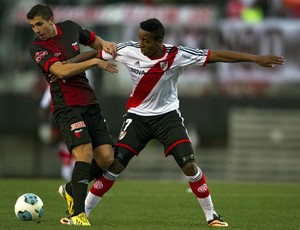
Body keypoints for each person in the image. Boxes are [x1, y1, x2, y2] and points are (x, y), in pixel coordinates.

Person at [60, 18, 285, 227]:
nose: (141, 44)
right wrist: (66, 65)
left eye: (145, 40)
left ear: (159, 41)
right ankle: (81, 215)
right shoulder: (127, 50)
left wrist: (256, 59)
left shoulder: (177, 54)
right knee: (115, 165)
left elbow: (217, 55)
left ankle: (211, 215)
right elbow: (92, 56)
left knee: (189, 164)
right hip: (137, 118)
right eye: (139, 38)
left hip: (167, 117)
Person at [26, 4, 118, 226]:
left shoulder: (70, 28)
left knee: (107, 159)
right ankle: (78, 214)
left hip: (90, 101)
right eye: (32, 26)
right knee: (84, 152)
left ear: (51, 20)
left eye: (39, 24)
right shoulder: (37, 47)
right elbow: (60, 71)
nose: (36, 29)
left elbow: (95, 41)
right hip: (66, 106)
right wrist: (94, 61)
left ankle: (70, 188)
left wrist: (106, 44)